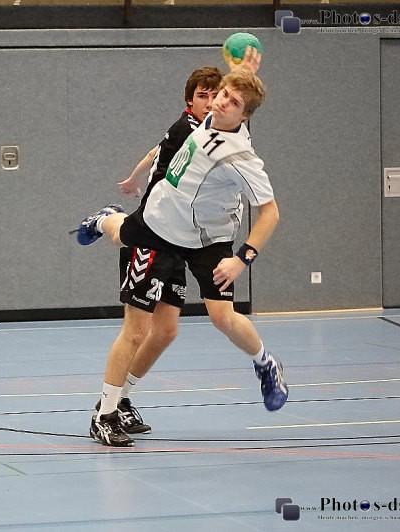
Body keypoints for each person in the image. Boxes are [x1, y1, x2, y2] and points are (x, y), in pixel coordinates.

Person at [79, 67, 287, 447]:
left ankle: (265, 363)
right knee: (133, 309)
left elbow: (270, 212)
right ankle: (104, 414)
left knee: (221, 317)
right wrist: (242, 68)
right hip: (160, 222)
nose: (220, 102)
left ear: (245, 116)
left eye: (231, 101)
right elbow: (158, 149)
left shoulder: (240, 157)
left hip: (206, 237)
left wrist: (242, 258)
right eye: (219, 94)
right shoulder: (200, 120)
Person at [95, 66, 224, 439]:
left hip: (178, 241)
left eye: (215, 95)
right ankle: (103, 415)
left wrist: (134, 177)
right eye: (202, 96)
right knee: (136, 330)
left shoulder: (210, 133)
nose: (210, 102)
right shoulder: (190, 130)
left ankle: (122, 400)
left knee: (165, 331)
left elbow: (156, 150)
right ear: (189, 101)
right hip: (151, 237)